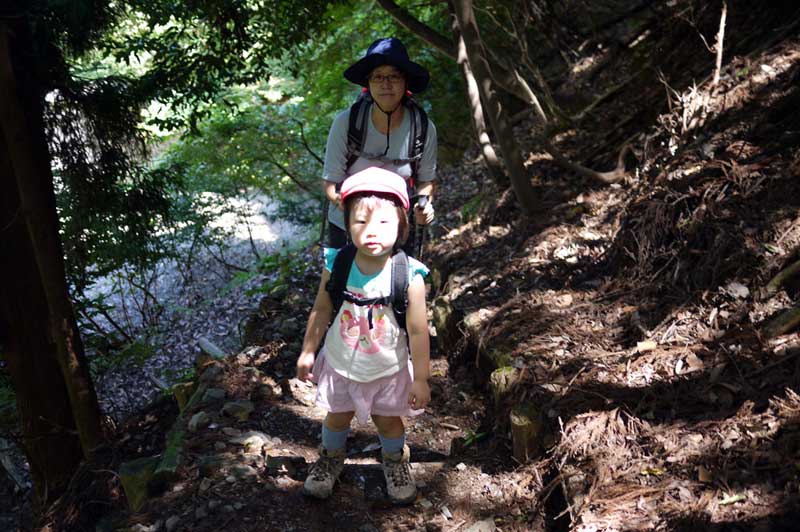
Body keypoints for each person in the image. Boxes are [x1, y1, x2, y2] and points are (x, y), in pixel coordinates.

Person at [297, 167, 431, 504]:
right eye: (360, 222)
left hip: (388, 368)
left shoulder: (407, 274)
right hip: (342, 362)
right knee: (337, 416)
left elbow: (417, 329)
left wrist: (422, 379)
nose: (372, 232)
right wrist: (308, 350)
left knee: (389, 422)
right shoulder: (338, 264)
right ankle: (330, 457)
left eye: (383, 223)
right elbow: (322, 308)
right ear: (346, 224)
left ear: (402, 223)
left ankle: (395, 462)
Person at [322, 37, 437, 255]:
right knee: (342, 286)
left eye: (394, 76)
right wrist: (358, 214)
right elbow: (330, 185)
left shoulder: (423, 128)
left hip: (398, 227)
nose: (386, 84)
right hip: (348, 227)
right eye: (377, 77)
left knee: (400, 285)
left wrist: (424, 205)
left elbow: (426, 181)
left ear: (406, 83)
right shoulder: (346, 123)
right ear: (368, 84)